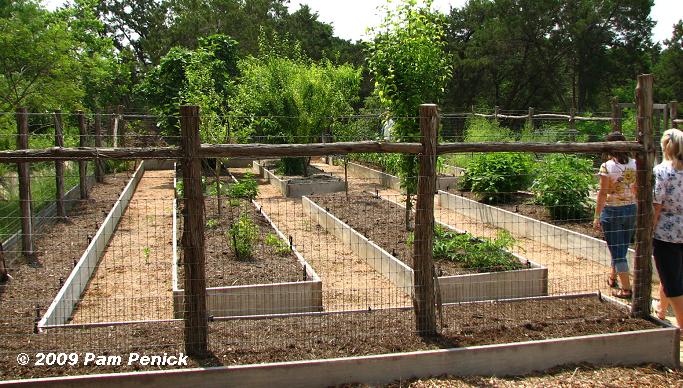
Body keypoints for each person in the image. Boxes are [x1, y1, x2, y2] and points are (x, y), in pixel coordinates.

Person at [593, 131, 637, 298]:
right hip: (631, 209)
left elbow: (602, 193)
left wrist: (597, 216)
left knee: (618, 251)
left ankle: (626, 289)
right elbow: (636, 189)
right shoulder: (635, 164)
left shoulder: (607, 166)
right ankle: (613, 277)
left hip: (612, 210)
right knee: (621, 247)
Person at [651, 128, 683, 326]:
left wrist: (647, 232)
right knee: (671, 273)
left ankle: (681, 323)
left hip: (667, 234)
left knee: (674, 283)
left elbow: (657, 204)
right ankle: (661, 309)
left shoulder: (662, 171)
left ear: (665, 146)